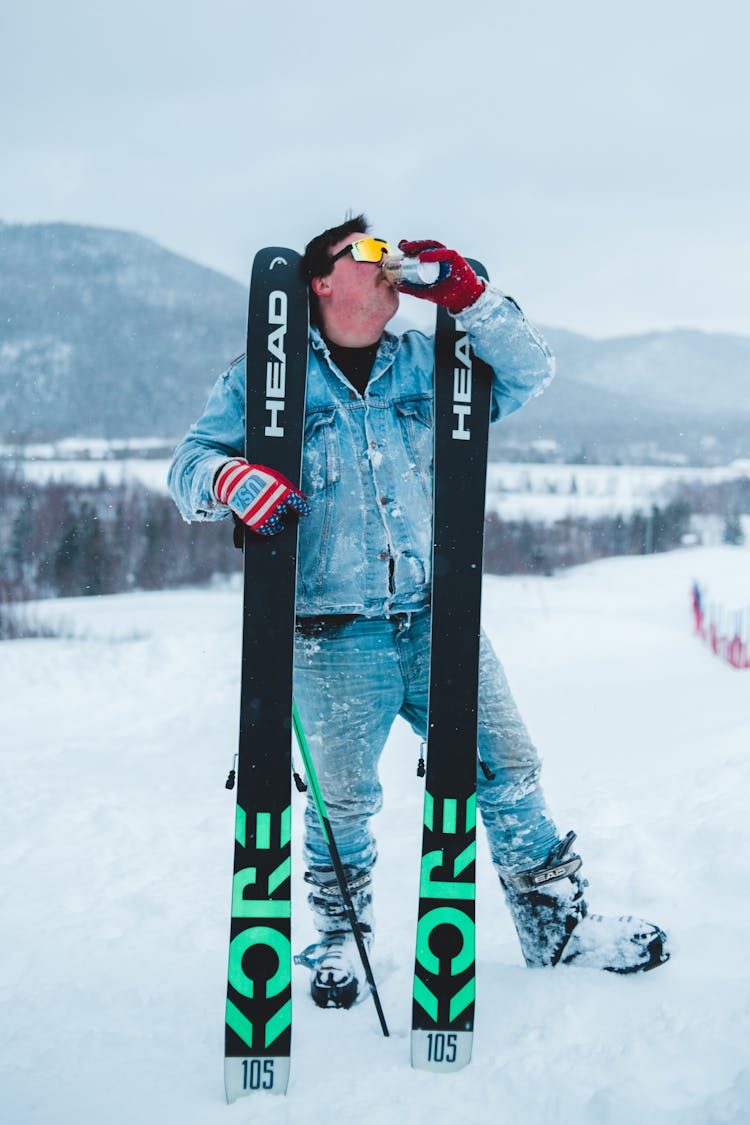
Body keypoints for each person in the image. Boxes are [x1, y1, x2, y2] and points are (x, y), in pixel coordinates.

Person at [168, 215, 669, 1009]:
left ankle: (558, 927)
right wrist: (230, 480)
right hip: (332, 632)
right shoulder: (269, 375)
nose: (386, 261)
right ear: (321, 282)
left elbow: (532, 373)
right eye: (364, 253)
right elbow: (188, 463)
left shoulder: (437, 363)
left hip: (440, 616)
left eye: (387, 249)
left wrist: (473, 300)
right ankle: (340, 938)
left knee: (508, 769)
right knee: (341, 804)